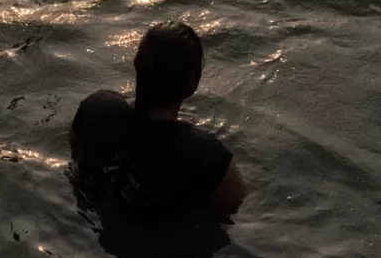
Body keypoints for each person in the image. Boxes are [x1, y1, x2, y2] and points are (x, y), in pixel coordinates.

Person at [70, 22, 248, 212]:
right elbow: (236, 207)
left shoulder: (95, 108)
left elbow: (76, 161)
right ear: (193, 81)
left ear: (138, 65)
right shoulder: (209, 158)